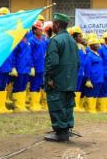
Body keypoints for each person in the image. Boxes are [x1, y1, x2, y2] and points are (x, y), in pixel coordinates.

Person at [44, 13, 79, 142]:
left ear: (57, 25)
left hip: (57, 80)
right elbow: (78, 62)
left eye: (53, 23)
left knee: (56, 105)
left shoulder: (55, 40)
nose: (52, 25)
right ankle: (66, 129)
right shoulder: (72, 40)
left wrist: (49, 78)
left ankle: (60, 133)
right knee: (68, 105)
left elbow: (52, 62)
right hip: (70, 81)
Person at [29, 20, 47, 112]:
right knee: (34, 84)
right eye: (40, 29)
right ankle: (33, 104)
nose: (42, 31)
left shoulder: (43, 40)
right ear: (35, 30)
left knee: (40, 85)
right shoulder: (32, 40)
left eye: (42, 29)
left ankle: (38, 103)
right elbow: (30, 54)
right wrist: (32, 66)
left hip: (42, 66)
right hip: (35, 67)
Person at [84, 37, 103, 113]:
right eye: (96, 44)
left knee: (96, 93)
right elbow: (87, 67)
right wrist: (88, 79)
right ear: (91, 46)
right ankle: (90, 109)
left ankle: (94, 108)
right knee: (91, 93)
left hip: (99, 78)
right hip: (93, 77)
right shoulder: (89, 55)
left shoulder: (97, 54)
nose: (98, 45)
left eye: (98, 44)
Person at [70, 26, 86, 112]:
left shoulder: (82, 46)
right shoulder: (72, 45)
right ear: (74, 36)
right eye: (79, 36)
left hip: (81, 70)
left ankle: (76, 105)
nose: (81, 38)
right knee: (74, 87)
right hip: (74, 70)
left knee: (78, 87)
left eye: (81, 36)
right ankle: (72, 105)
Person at [98, 33, 107, 112]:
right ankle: (102, 108)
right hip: (104, 71)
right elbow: (100, 61)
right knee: (104, 89)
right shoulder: (101, 49)